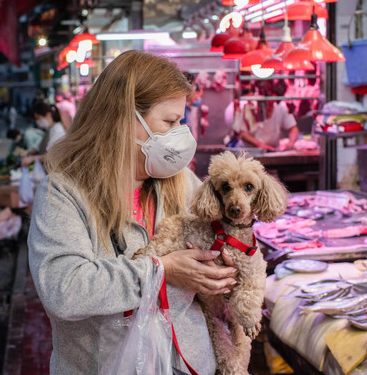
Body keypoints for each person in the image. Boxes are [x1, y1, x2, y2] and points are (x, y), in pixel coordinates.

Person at [28, 51, 237, 375]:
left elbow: (226, 234)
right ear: (125, 119)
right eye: (170, 122)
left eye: (181, 121)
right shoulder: (63, 193)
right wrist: (160, 271)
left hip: (187, 365)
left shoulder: (179, 182)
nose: (181, 133)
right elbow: (63, 289)